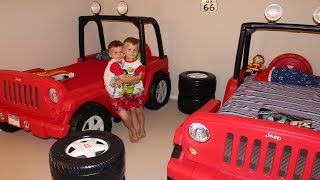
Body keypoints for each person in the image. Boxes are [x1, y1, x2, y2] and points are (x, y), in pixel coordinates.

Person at [103, 40, 142, 143]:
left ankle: (134, 130)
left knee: (129, 112)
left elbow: (124, 75)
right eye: (116, 53)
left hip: (122, 93)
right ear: (110, 54)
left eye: (121, 52)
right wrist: (138, 77)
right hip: (115, 96)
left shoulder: (121, 62)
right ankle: (133, 130)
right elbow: (125, 79)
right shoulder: (114, 64)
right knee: (124, 116)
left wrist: (120, 80)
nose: (120, 55)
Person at [122, 37, 146, 139]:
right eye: (129, 49)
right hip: (126, 92)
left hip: (137, 91)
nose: (132, 52)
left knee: (138, 111)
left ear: (138, 51)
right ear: (123, 50)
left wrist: (125, 80)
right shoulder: (121, 62)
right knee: (131, 111)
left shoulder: (138, 64)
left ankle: (142, 128)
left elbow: (136, 80)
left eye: (135, 50)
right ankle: (134, 131)